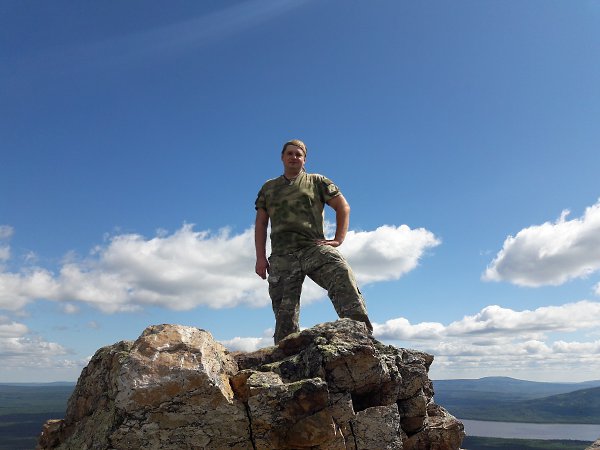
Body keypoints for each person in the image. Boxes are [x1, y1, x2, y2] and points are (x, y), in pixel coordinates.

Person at [254, 139, 373, 344]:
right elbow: (261, 223)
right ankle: (287, 351)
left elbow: (343, 207)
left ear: (304, 159)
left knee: (341, 272)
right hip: (282, 255)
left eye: (298, 154)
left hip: (312, 248)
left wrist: (338, 239)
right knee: (284, 312)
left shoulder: (317, 181)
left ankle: (360, 336)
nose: (294, 157)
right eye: (290, 153)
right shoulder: (269, 187)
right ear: (282, 157)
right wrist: (260, 258)